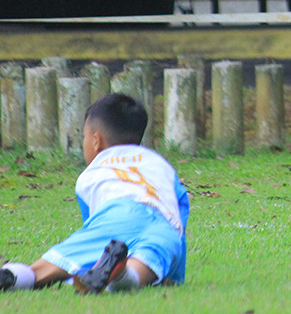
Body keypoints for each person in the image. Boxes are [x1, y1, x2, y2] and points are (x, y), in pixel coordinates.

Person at [0, 93, 189, 294]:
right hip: (165, 227)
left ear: (96, 140)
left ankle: (15, 276)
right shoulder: (162, 165)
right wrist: (174, 271)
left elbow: (95, 225)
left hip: (117, 215)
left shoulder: (92, 174)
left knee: (45, 269)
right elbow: (180, 215)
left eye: (84, 137)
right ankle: (124, 275)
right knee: (143, 264)